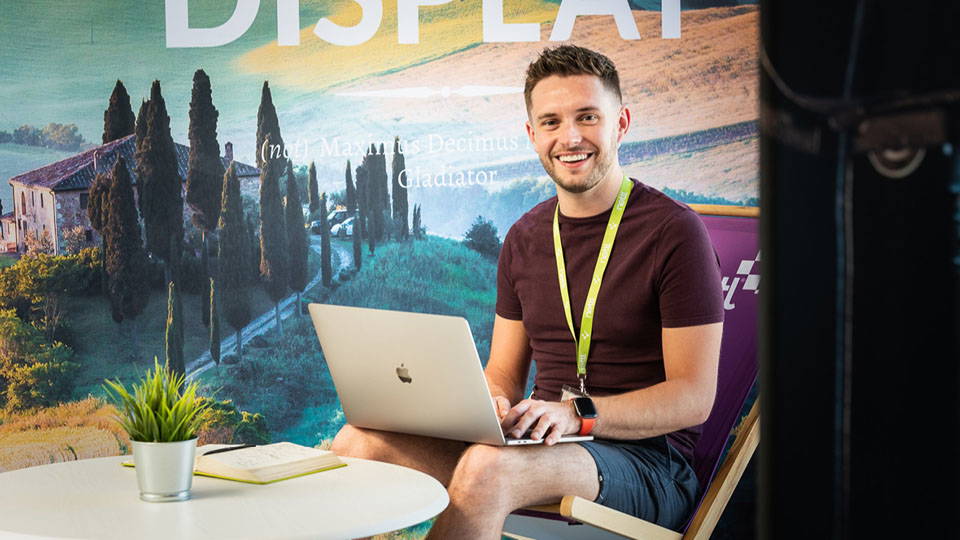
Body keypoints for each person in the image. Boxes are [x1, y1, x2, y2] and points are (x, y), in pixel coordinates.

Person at [331, 45, 724, 538]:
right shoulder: (525, 236)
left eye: (587, 117)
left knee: (486, 469)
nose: (571, 137)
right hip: (539, 441)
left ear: (621, 123)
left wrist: (575, 415)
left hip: (647, 462)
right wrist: (491, 403)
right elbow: (503, 372)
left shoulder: (675, 232)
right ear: (532, 134)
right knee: (356, 446)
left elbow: (693, 398)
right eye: (552, 121)